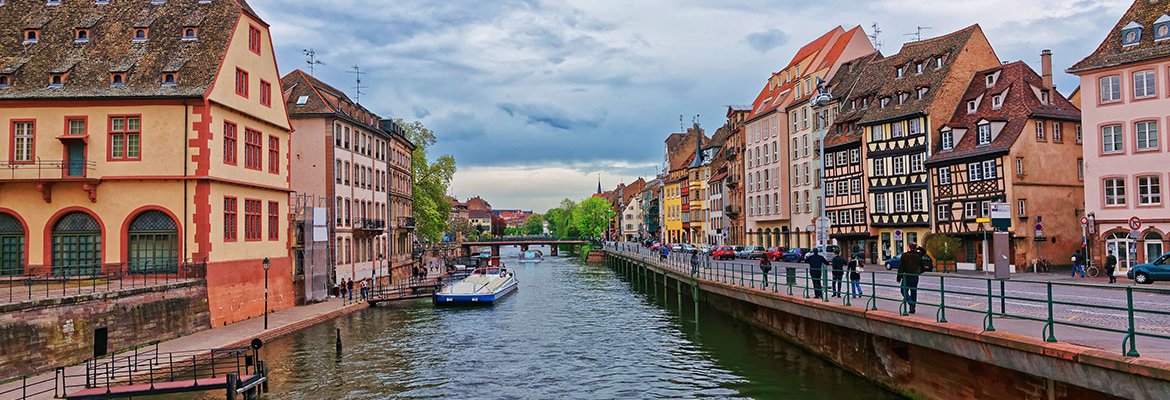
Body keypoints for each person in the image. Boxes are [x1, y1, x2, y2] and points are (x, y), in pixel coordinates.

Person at [898, 244, 925, 314]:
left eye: (907, 247)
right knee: (913, 291)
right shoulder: (918, 255)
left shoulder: (905, 255)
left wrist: (899, 277)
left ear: (909, 248)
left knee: (903, 290)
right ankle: (913, 308)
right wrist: (918, 247)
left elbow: (901, 267)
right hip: (915, 276)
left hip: (907, 276)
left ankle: (911, 302)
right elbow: (924, 252)